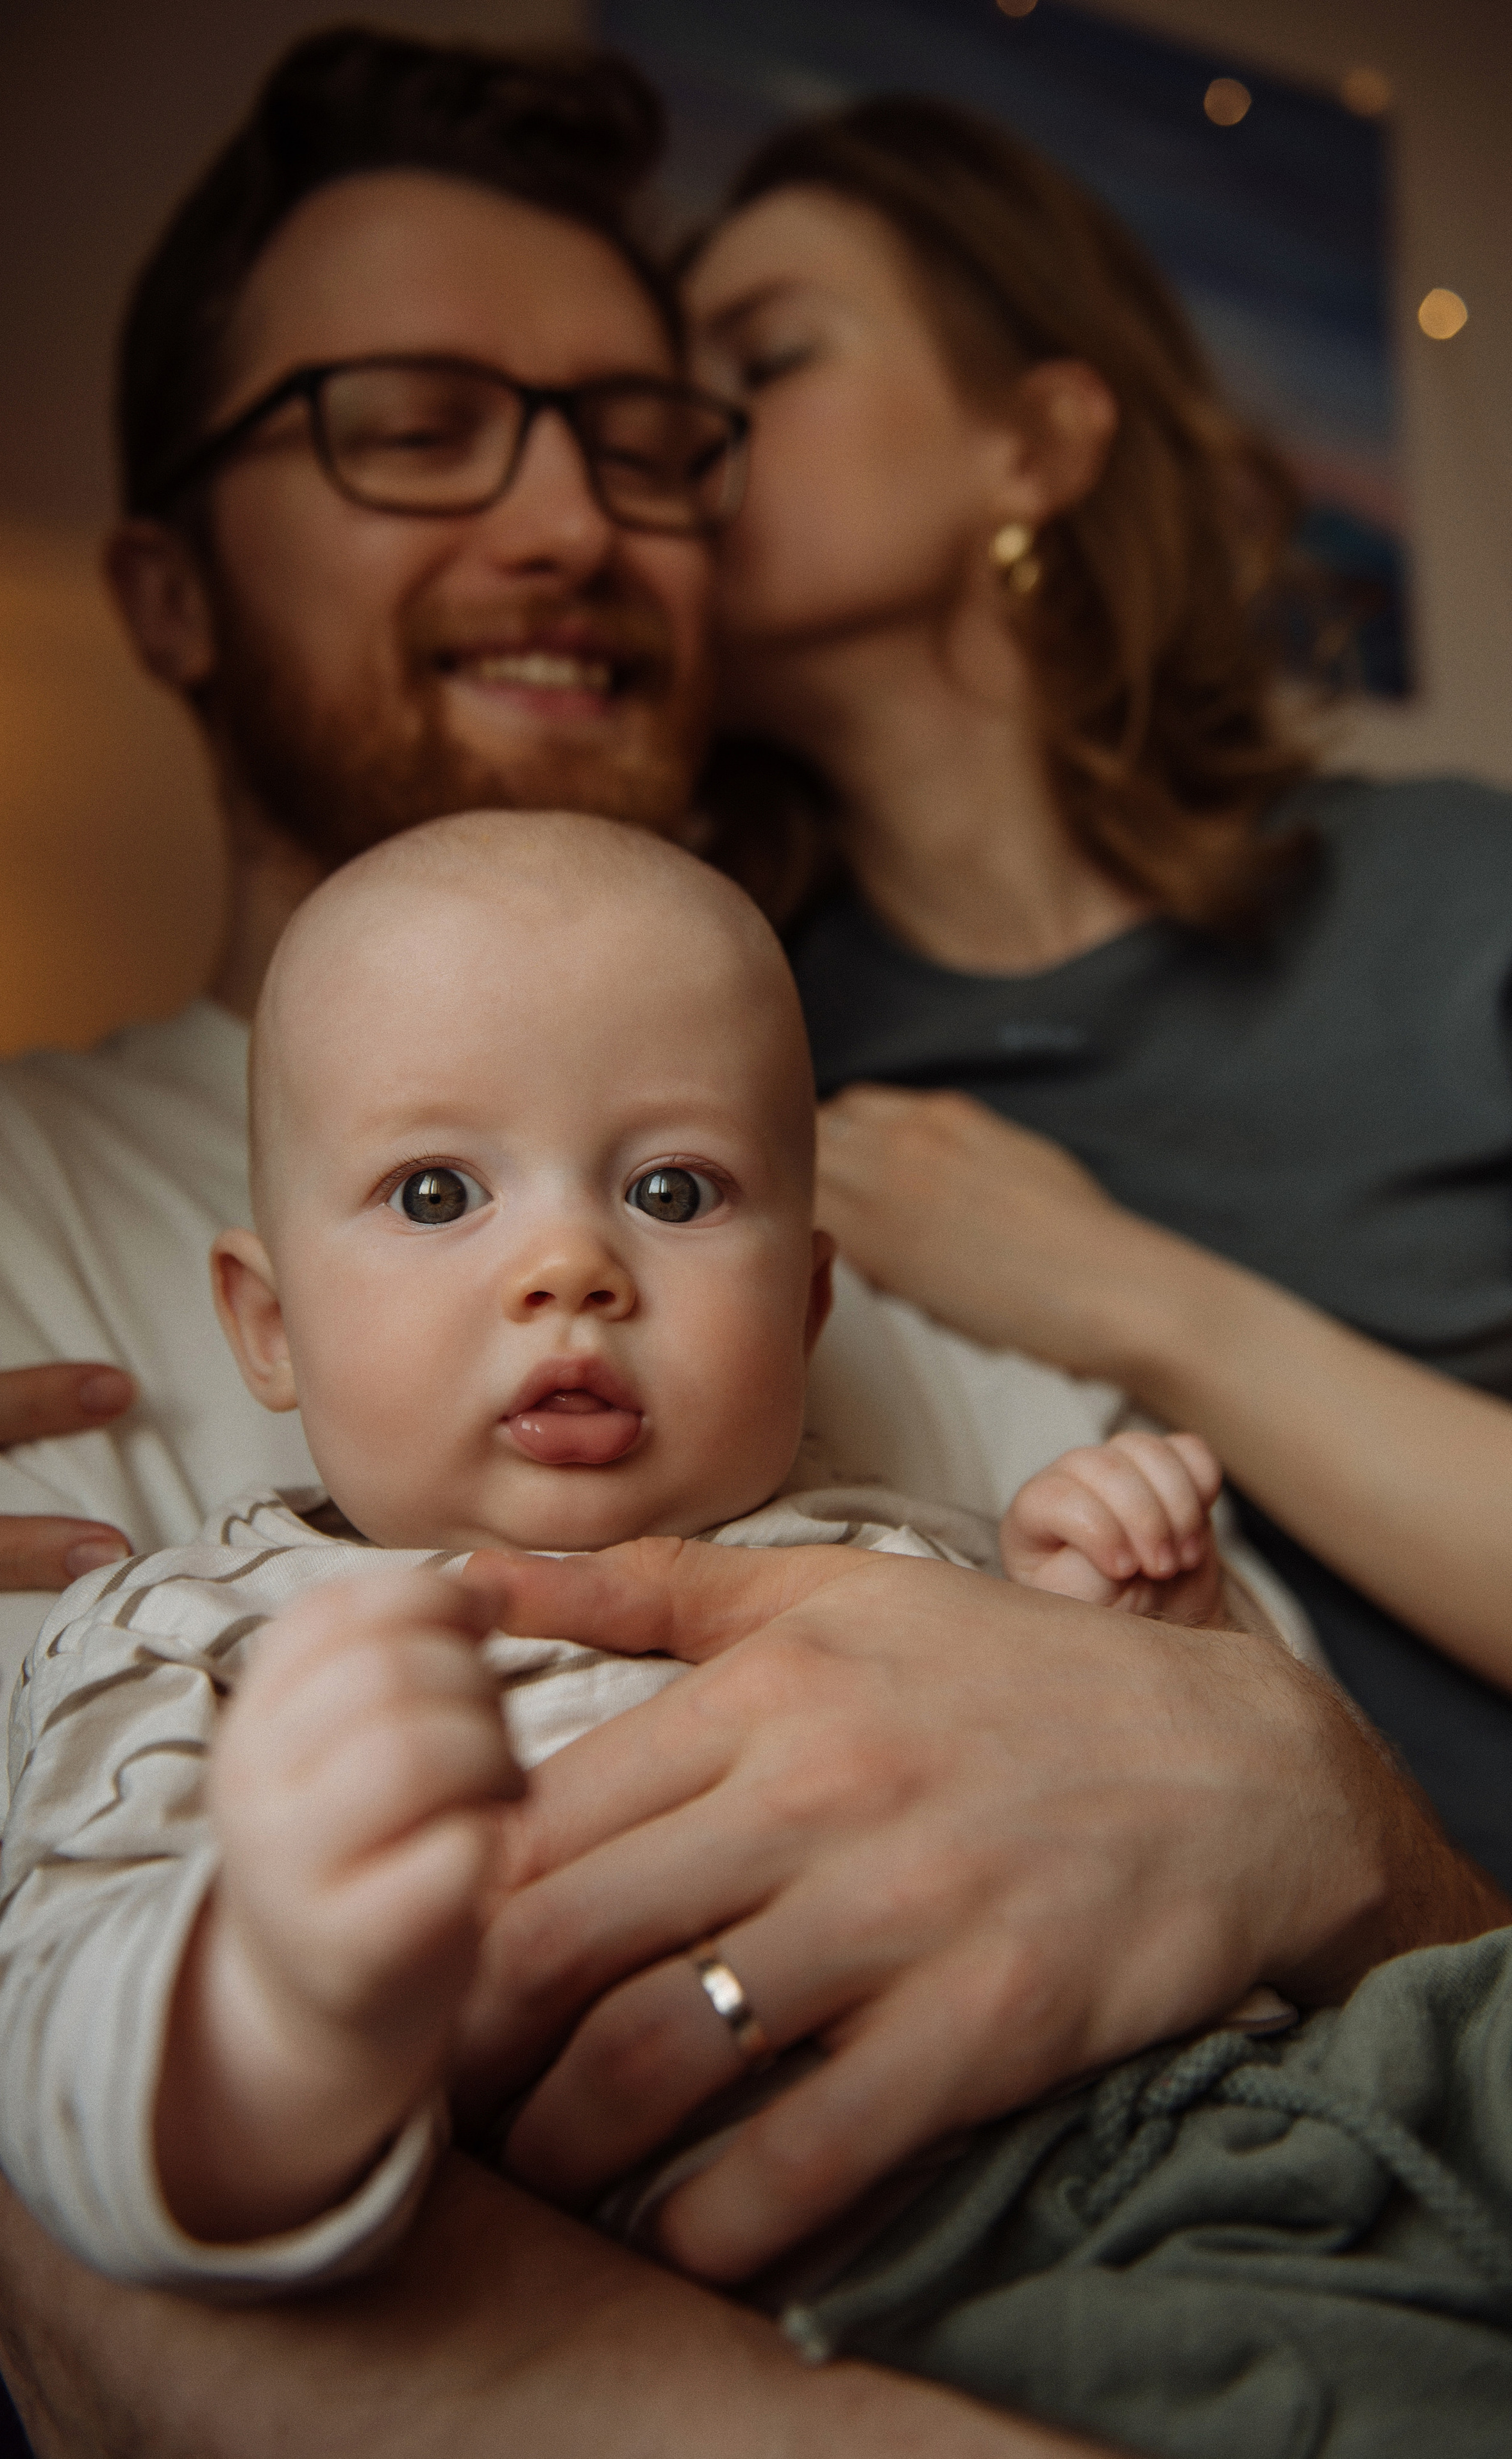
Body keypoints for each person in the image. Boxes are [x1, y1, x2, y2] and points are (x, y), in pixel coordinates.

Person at [0, 33, 1500, 2458]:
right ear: (164, 588)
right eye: (409, 421)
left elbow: (1399, 1911)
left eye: (645, 443)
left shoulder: (844, 1182)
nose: (571, 526)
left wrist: (1257, 1745)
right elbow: (135, 2294)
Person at [0, 807, 1254, 2295]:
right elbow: (40, 2068)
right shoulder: (189, 1639)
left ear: (807, 1305)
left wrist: (1135, 1635)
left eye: (672, 1191)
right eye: (436, 1192)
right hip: (927, 2297)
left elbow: (1179, 1832)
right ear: (269, 1326)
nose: (569, 1267)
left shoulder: (910, 1552)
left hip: (1255, 2143)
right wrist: (278, 2000)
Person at [685, 94, 1512, 1892]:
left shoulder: (1460, 901)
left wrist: (1131, 1294)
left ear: (1039, 446)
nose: (686, 437)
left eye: (768, 357)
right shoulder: (731, 1062)